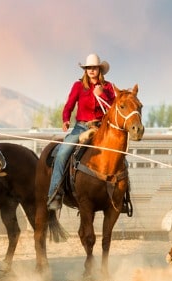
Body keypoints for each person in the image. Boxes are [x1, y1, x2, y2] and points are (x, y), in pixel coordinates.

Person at [47, 53, 117, 208]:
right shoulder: (78, 86)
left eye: (94, 68)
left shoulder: (108, 87)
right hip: (81, 128)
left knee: (119, 156)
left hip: (101, 128)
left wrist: (102, 95)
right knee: (63, 153)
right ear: (85, 70)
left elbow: (114, 110)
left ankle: (122, 196)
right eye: (88, 68)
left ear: (99, 69)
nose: (91, 70)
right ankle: (55, 193)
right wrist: (65, 119)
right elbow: (69, 106)